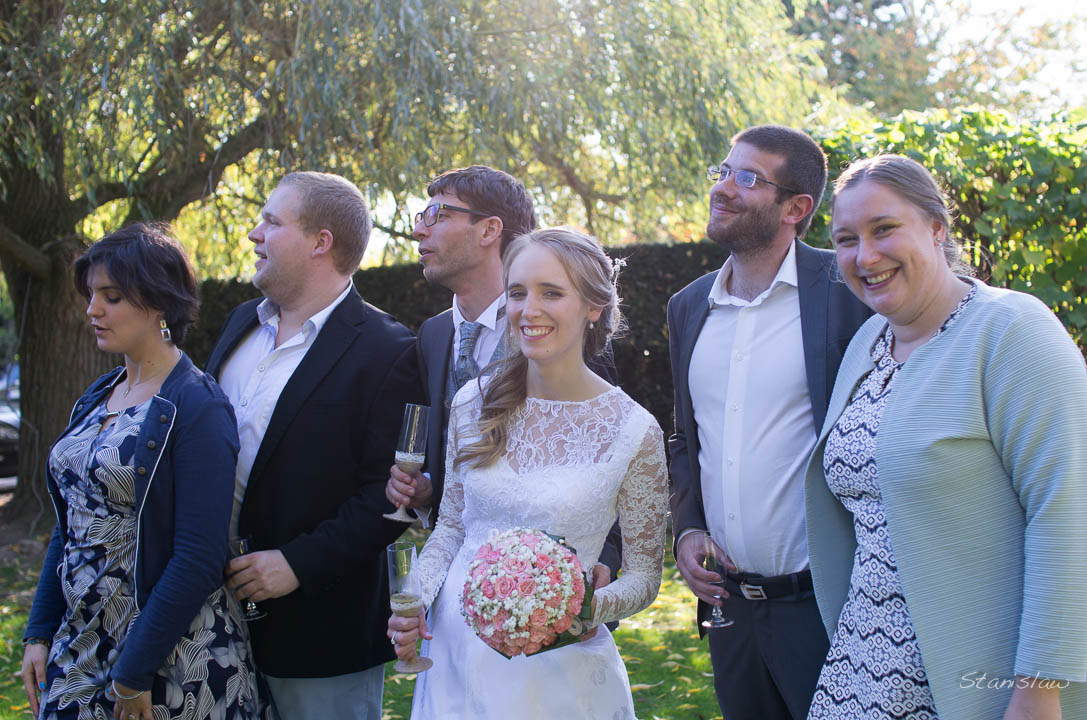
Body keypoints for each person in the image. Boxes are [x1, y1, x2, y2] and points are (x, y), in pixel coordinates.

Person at [806, 154, 1087, 720]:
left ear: (937, 228)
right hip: (860, 668)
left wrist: (1040, 690)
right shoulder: (868, 343)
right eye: (845, 239)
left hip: (978, 681)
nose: (866, 255)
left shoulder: (1010, 330)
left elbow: (1068, 508)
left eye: (884, 229)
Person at [388, 227, 668, 719]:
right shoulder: (474, 401)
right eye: (517, 293)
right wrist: (414, 600)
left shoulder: (634, 431)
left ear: (593, 307)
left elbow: (645, 576)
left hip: (562, 669)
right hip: (458, 656)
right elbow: (452, 525)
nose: (528, 310)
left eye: (551, 293)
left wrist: (580, 609)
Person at [667, 125, 871, 719]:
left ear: (797, 208)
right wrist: (687, 528)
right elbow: (686, 438)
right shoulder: (689, 306)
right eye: (724, 172)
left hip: (828, 607)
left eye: (748, 178)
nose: (724, 188)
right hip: (731, 613)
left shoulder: (848, 290)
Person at [20, 224, 262, 720]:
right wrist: (39, 631)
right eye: (91, 295)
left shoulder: (197, 405)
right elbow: (70, 527)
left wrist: (132, 676)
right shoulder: (95, 397)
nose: (93, 310)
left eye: (111, 297)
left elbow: (197, 557)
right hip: (78, 648)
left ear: (158, 302)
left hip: (168, 659)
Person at [204, 171, 422, 720]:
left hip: (321, 632)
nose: (255, 233)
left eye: (272, 222)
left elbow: (392, 496)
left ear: (321, 242)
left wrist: (296, 564)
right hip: (208, 624)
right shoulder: (238, 326)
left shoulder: (388, 350)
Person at [384, 165, 623, 587]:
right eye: (421, 217)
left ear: (489, 229)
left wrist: (601, 560)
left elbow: (610, 450)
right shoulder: (433, 335)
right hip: (454, 582)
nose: (420, 230)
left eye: (437, 214)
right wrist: (427, 491)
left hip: (547, 584)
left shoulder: (559, 328)